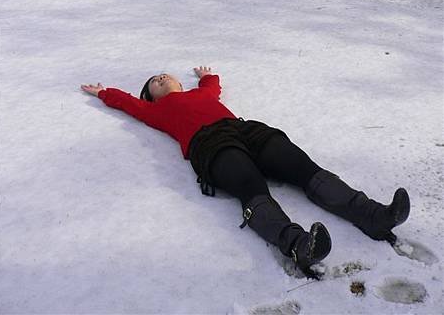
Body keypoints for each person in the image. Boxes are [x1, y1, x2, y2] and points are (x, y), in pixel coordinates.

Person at [81, 66, 410, 277]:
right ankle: (299, 246)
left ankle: (375, 216)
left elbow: (213, 87)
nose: (160, 78)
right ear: (151, 96)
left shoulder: (199, 93)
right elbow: (128, 104)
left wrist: (206, 76)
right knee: (251, 186)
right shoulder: (158, 110)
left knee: (301, 166)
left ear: (180, 82)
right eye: (154, 82)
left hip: (247, 130)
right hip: (210, 144)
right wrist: (104, 93)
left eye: (164, 75)